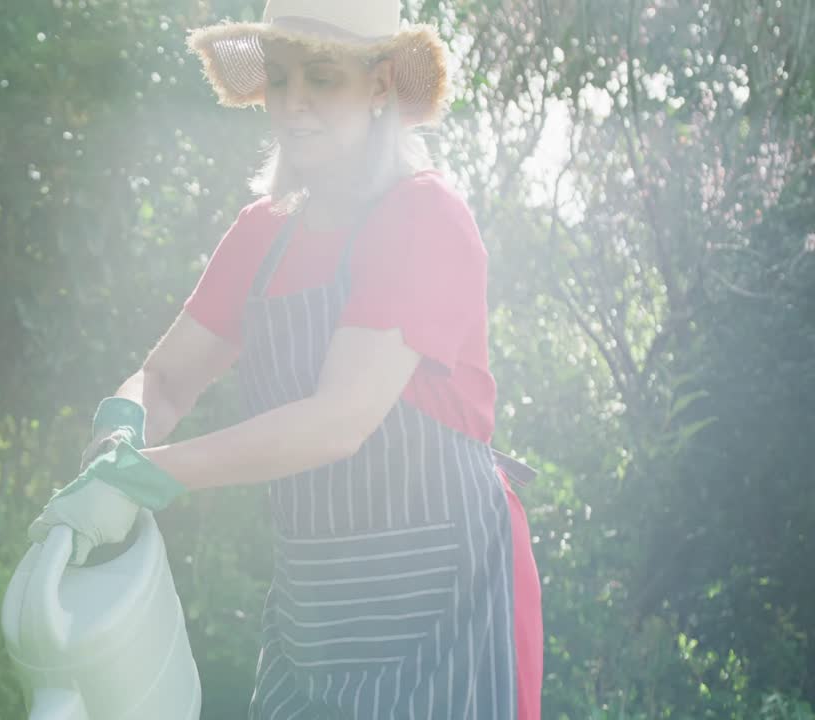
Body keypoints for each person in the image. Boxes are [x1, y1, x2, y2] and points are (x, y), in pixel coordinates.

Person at [28, 0, 543, 717]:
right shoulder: (261, 236)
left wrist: (147, 476)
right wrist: (119, 430)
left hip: (443, 608)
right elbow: (167, 377)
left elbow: (338, 420)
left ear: (380, 87)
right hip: (316, 611)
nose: (293, 103)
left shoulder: (422, 218)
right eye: (279, 77)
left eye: (323, 77)